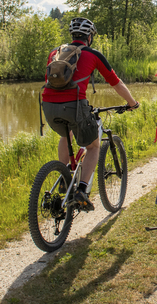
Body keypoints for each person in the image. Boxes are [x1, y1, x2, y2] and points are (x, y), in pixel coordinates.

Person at [41, 17, 139, 211]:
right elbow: (116, 82)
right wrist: (132, 103)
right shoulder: (93, 54)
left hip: (48, 105)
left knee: (65, 134)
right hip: (75, 106)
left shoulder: (56, 53)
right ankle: (82, 191)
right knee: (93, 146)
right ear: (90, 36)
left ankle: (64, 177)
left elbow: (49, 80)